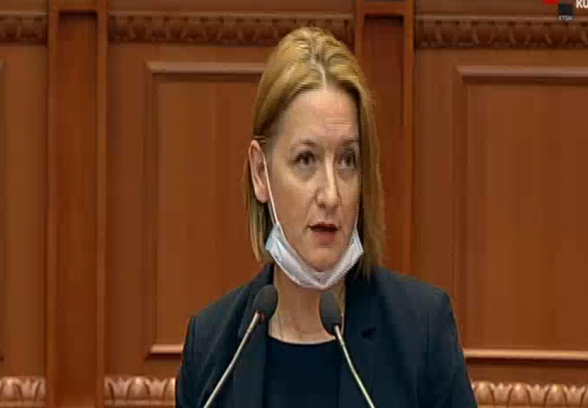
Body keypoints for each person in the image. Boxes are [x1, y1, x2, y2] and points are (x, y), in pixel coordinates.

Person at [176, 26, 477, 408]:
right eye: (306, 160)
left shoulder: (421, 334)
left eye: (347, 160)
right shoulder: (211, 348)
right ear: (260, 173)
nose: (332, 195)